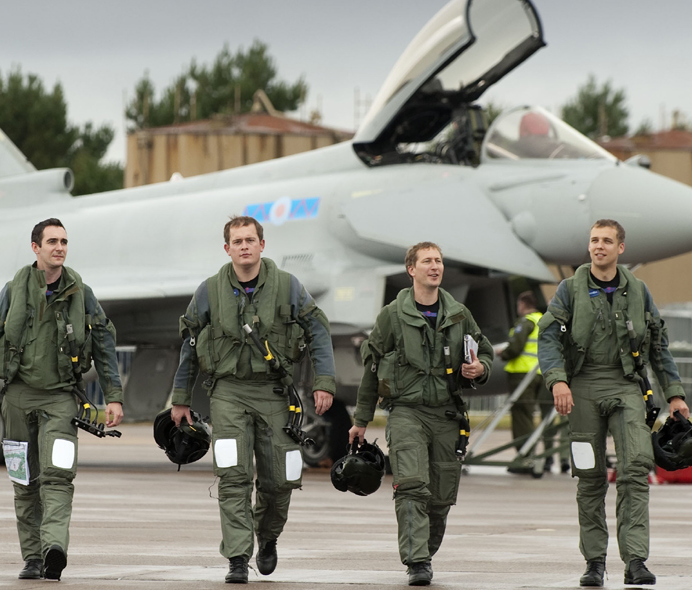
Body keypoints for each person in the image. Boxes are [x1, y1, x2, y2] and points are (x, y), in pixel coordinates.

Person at [170, 215, 336, 584]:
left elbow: (318, 330)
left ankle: (269, 535)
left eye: (250, 240)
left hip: (275, 394)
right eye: (237, 241)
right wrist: (180, 398)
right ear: (227, 249)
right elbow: (190, 343)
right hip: (228, 393)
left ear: (262, 245)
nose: (244, 246)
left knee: (281, 479)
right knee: (233, 476)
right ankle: (237, 557)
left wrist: (324, 381)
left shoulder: (289, 287)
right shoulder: (209, 291)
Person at [0, 218, 124, 581]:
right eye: (52, 241)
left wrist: (114, 397)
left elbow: (104, 343)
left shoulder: (82, 293)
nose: (59, 247)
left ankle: (53, 548)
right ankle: (32, 557)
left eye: (64, 241)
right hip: (17, 399)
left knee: (58, 476)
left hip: (61, 400)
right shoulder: (12, 291)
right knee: (23, 480)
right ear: (35, 247)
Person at [538, 219, 689, 587]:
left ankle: (635, 560)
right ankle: (594, 562)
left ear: (621, 248)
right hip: (583, 387)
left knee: (635, 470)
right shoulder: (569, 290)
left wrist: (675, 394)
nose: (599, 246)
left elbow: (658, 346)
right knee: (589, 479)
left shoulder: (638, 291)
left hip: (626, 387)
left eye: (607, 240)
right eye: (593, 240)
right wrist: (558, 381)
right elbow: (549, 339)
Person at [348, 242, 493, 587]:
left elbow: (484, 351)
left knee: (441, 496)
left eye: (439, 261)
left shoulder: (459, 314)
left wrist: (480, 368)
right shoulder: (391, 317)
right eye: (427, 261)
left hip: (446, 414)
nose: (435, 266)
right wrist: (361, 420)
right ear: (411, 269)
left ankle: (424, 550)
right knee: (413, 486)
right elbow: (371, 370)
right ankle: (416, 561)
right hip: (406, 412)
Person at [498, 291, 545, 473]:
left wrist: (503, 353)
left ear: (523, 305)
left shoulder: (526, 322)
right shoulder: (542, 321)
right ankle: (529, 454)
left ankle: (524, 457)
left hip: (522, 373)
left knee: (521, 416)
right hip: (538, 373)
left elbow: (516, 347)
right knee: (529, 414)